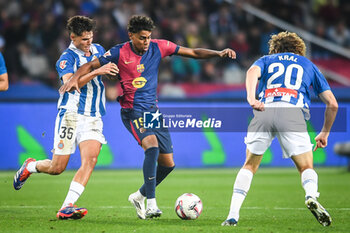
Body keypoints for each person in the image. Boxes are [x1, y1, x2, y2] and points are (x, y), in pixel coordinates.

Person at [59, 15, 236, 219]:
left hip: (153, 112)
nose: (146, 42)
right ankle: (152, 204)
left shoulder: (159, 47)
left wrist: (219, 53)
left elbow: (193, 52)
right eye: (142, 38)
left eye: (149, 37)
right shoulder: (118, 51)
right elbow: (89, 66)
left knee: (168, 164)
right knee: (151, 146)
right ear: (131, 35)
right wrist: (73, 79)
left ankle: (139, 195)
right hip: (132, 110)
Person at [221, 31, 338, 227]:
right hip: (292, 112)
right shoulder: (307, 64)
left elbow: (251, 72)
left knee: (249, 165)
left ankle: (232, 216)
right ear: (299, 49)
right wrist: (324, 132)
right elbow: (332, 104)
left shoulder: (266, 60)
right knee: (306, 167)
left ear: (275, 48)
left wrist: (251, 98)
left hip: (264, 109)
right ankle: (311, 196)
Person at [13, 16, 118, 220]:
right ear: (73, 37)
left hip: (94, 115)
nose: (89, 42)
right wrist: (99, 71)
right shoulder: (66, 58)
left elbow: (108, 72)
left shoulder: (98, 49)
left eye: (91, 37)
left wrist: (111, 73)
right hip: (70, 115)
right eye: (84, 39)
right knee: (57, 168)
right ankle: (31, 166)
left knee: (91, 159)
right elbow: (71, 84)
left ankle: (67, 206)